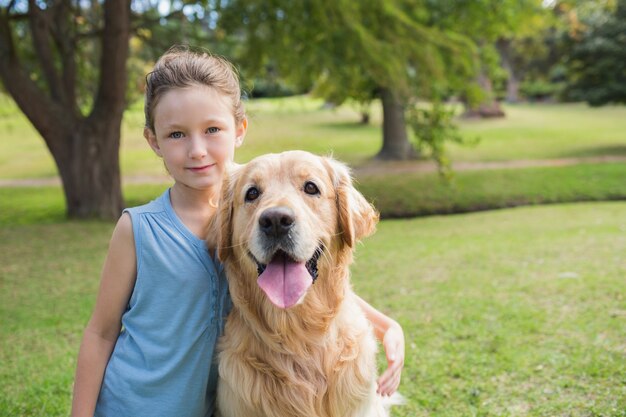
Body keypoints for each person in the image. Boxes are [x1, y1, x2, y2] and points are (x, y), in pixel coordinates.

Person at [71, 46, 405, 417]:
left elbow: (317, 281)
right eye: (177, 134)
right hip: (133, 406)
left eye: (212, 129)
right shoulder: (143, 228)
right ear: (154, 141)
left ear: (239, 129)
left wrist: (387, 325)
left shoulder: (247, 193)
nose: (197, 150)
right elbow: (100, 333)